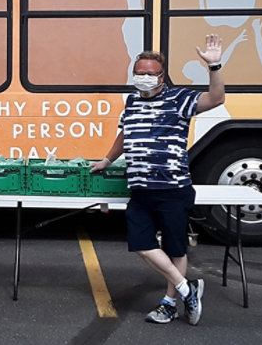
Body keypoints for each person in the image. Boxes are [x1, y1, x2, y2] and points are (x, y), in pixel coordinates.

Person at [91, 34, 226, 326]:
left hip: (173, 189)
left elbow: (216, 98)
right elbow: (125, 134)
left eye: (150, 74)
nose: (144, 79)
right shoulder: (132, 101)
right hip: (140, 189)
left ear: (162, 76)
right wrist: (107, 160)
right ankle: (187, 288)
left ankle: (169, 303)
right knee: (141, 244)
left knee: (175, 248)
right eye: (139, 74)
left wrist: (214, 67)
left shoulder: (180, 98)